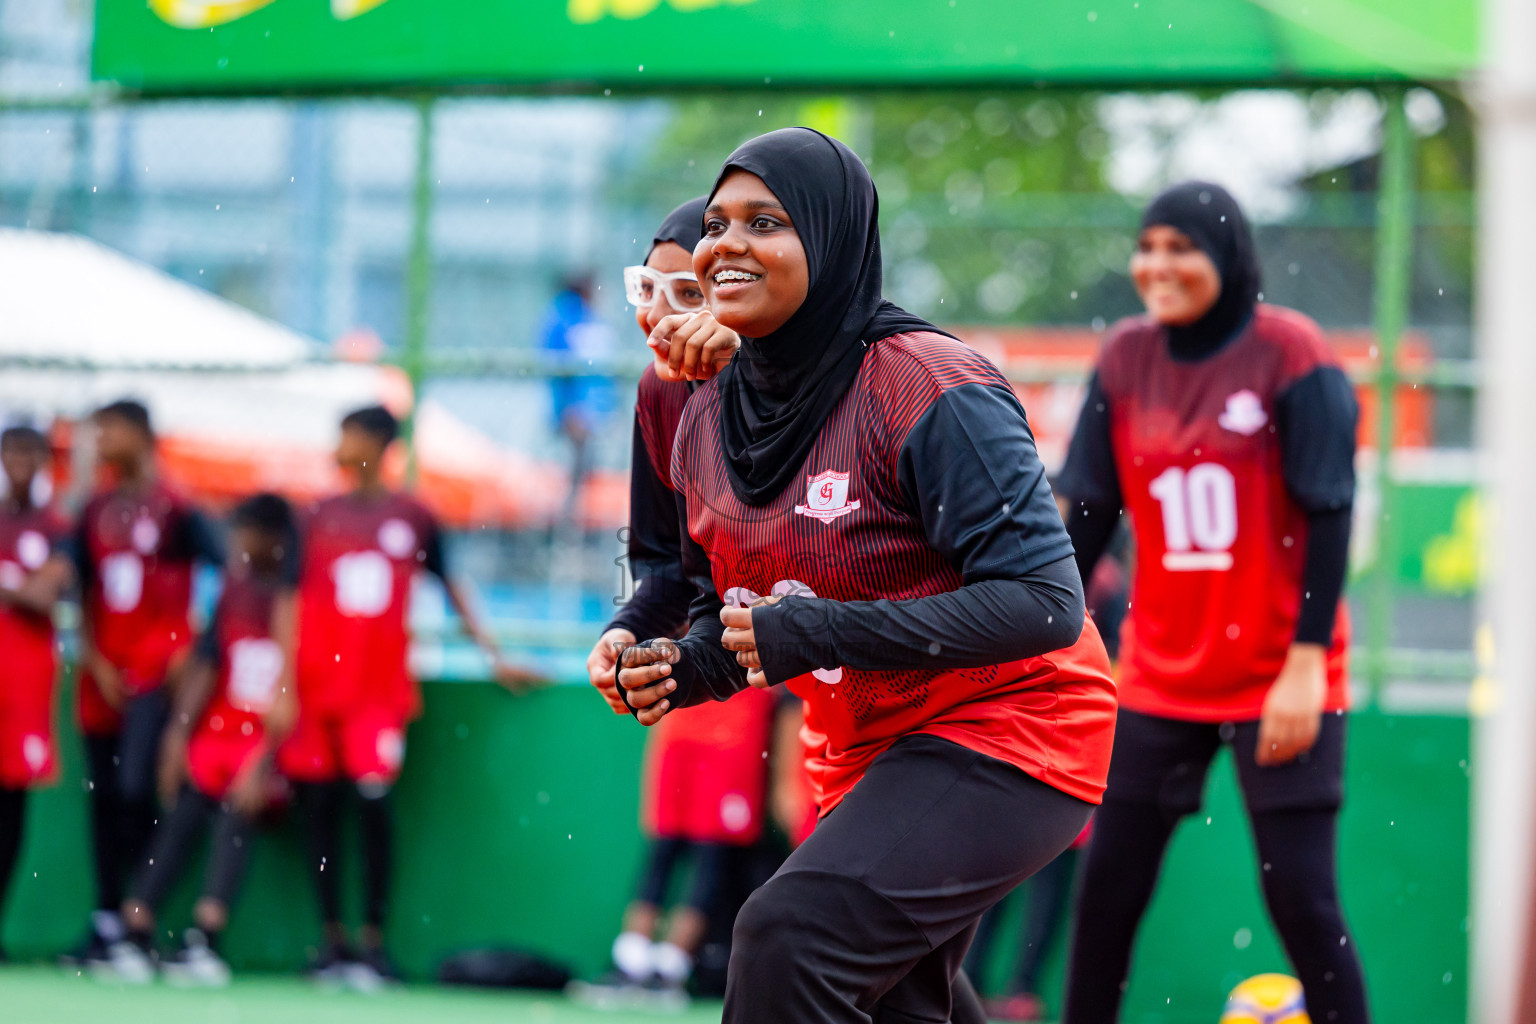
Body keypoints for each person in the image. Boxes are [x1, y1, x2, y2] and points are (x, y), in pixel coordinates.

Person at [614, 128, 1118, 1024]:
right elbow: (739, 618)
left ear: (834, 237)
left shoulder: (927, 384)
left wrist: (822, 632)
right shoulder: (691, 410)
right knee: (898, 1004)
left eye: (765, 222)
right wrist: (672, 663)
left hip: (1014, 726)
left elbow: (1046, 602)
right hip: (864, 748)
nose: (727, 243)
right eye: (717, 223)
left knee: (787, 935)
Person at [1056, 182, 1367, 1023]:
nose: (1158, 265)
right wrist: (1031, 626)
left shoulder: (1290, 351)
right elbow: (1084, 511)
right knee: (1106, 900)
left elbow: (1331, 508)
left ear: (1227, 258)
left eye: (1181, 247)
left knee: (1302, 902)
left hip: (1281, 673)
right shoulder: (1124, 357)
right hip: (1161, 672)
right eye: (1147, 245)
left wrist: (1306, 662)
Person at [579, 198, 772, 1007]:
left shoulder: (822, 384)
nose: (658, 314)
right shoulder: (658, 394)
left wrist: (750, 369)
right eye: (646, 289)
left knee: (806, 930)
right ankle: (641, 954)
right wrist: (626, 629)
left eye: (687, 293)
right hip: (742, 663)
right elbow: (665, 564)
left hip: (886, 674)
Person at [278, 404, 536, 989]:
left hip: (377, 695)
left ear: (377, 443)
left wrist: (494, 655)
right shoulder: (314, 515)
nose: (339, 447)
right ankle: (330, 941)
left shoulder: (414, 516)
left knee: (372, 810)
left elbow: (451, 586)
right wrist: (285, 686)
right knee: (318, 811)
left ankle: (372, 943)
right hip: (317, 693)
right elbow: (289, 601)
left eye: (349, 435)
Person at [108, 493, 300, 987]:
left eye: (245, 533)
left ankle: (205, 939)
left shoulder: (297, 598)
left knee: (236, 820)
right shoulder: (235, 591)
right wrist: (177, 734)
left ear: (273, 539)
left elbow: (294, 688)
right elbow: (208, 662)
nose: (236, 544)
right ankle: (136, 926)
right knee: (181, 817)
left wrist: (268, 757)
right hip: (219, 733)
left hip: (265, 737)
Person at [66, 400, 225, 968]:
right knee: (102, 796)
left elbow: (231, 570)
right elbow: (79, 585)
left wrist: (194, 643)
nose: (103, 440)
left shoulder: (178, 507)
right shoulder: (96, 508)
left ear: (142, 436)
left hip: (156, 674)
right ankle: (109, 918)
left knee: (139, 789)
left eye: (112, 429)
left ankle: (141, 919)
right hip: (103, 675)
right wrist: (93, 656)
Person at [0, 426, 72, 961]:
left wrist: (19, 588)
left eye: (30, 452)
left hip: (24, 686)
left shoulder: (57, 528)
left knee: (10, 808)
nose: (20, 462)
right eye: (12, 451)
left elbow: (43, 596)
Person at [540, 274, 619, 518]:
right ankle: (568, 524)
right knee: (574, 474)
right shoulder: (570, 321)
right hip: (577, 413)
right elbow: (561, 371)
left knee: (582, 473)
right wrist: (568, 409)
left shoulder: (574, 319)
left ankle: (575, 523)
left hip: (586, 412)